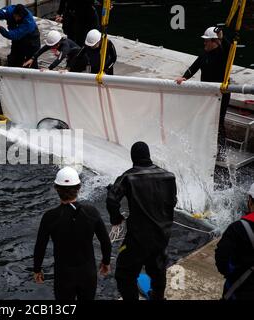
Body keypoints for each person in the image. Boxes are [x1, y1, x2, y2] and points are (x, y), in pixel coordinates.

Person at [106, 141, 177, 300]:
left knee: (124, 274)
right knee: (158, 269)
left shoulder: (128, 176)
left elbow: (112, 199)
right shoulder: (169, 176)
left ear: (133, 158)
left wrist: (116, 218)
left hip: (137, 238)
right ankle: (158, 296)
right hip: (162, 234)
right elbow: (173, 202)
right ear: (148, 156)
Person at [33, 167, 112, 300]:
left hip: (64, 275)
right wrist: (106, 261)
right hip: (88, 273)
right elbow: (105, 241)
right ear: (79, 188)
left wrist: (37, 269)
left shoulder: (50, 217)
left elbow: (40, 246)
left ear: (56, 188)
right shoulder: (91, 212)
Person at [175, 26, 232, 160]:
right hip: (206, 93)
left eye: (207, 41)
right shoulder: (204, 53)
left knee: (218, 121)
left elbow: (229, 46)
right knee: (203, 118)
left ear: (215, 42)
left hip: (221, 93)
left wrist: (221, 37)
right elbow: (194, 67)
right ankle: (204, 145)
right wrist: (184, 77)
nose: (204, 43)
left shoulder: (224, 54)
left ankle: (221, 152)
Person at [215, 183, 254, 300]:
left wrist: (234, 273)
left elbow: (222, 261)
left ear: (250, 201)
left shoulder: (237, 228)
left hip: (239, 291)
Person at [0, 4, 41, 68]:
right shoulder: (9, 10)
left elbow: (13, 35)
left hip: (31, 41)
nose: (18, 19)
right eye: (17, 16)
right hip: (18, 40)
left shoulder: (28, 23)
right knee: (14, 60)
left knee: (31, 63)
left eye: (20, 17)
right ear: (14, 13)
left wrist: (0, 28)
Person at [23, 30, 88, 72]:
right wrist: (33, 58)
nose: (50, 48)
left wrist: (49, 68)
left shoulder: (65, 47)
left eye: (52, 46)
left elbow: (59, 59)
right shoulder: (56, 42)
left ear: (58, 43)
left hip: (80, 59)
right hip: (71, 57)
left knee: (72, 71)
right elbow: (43, 49)